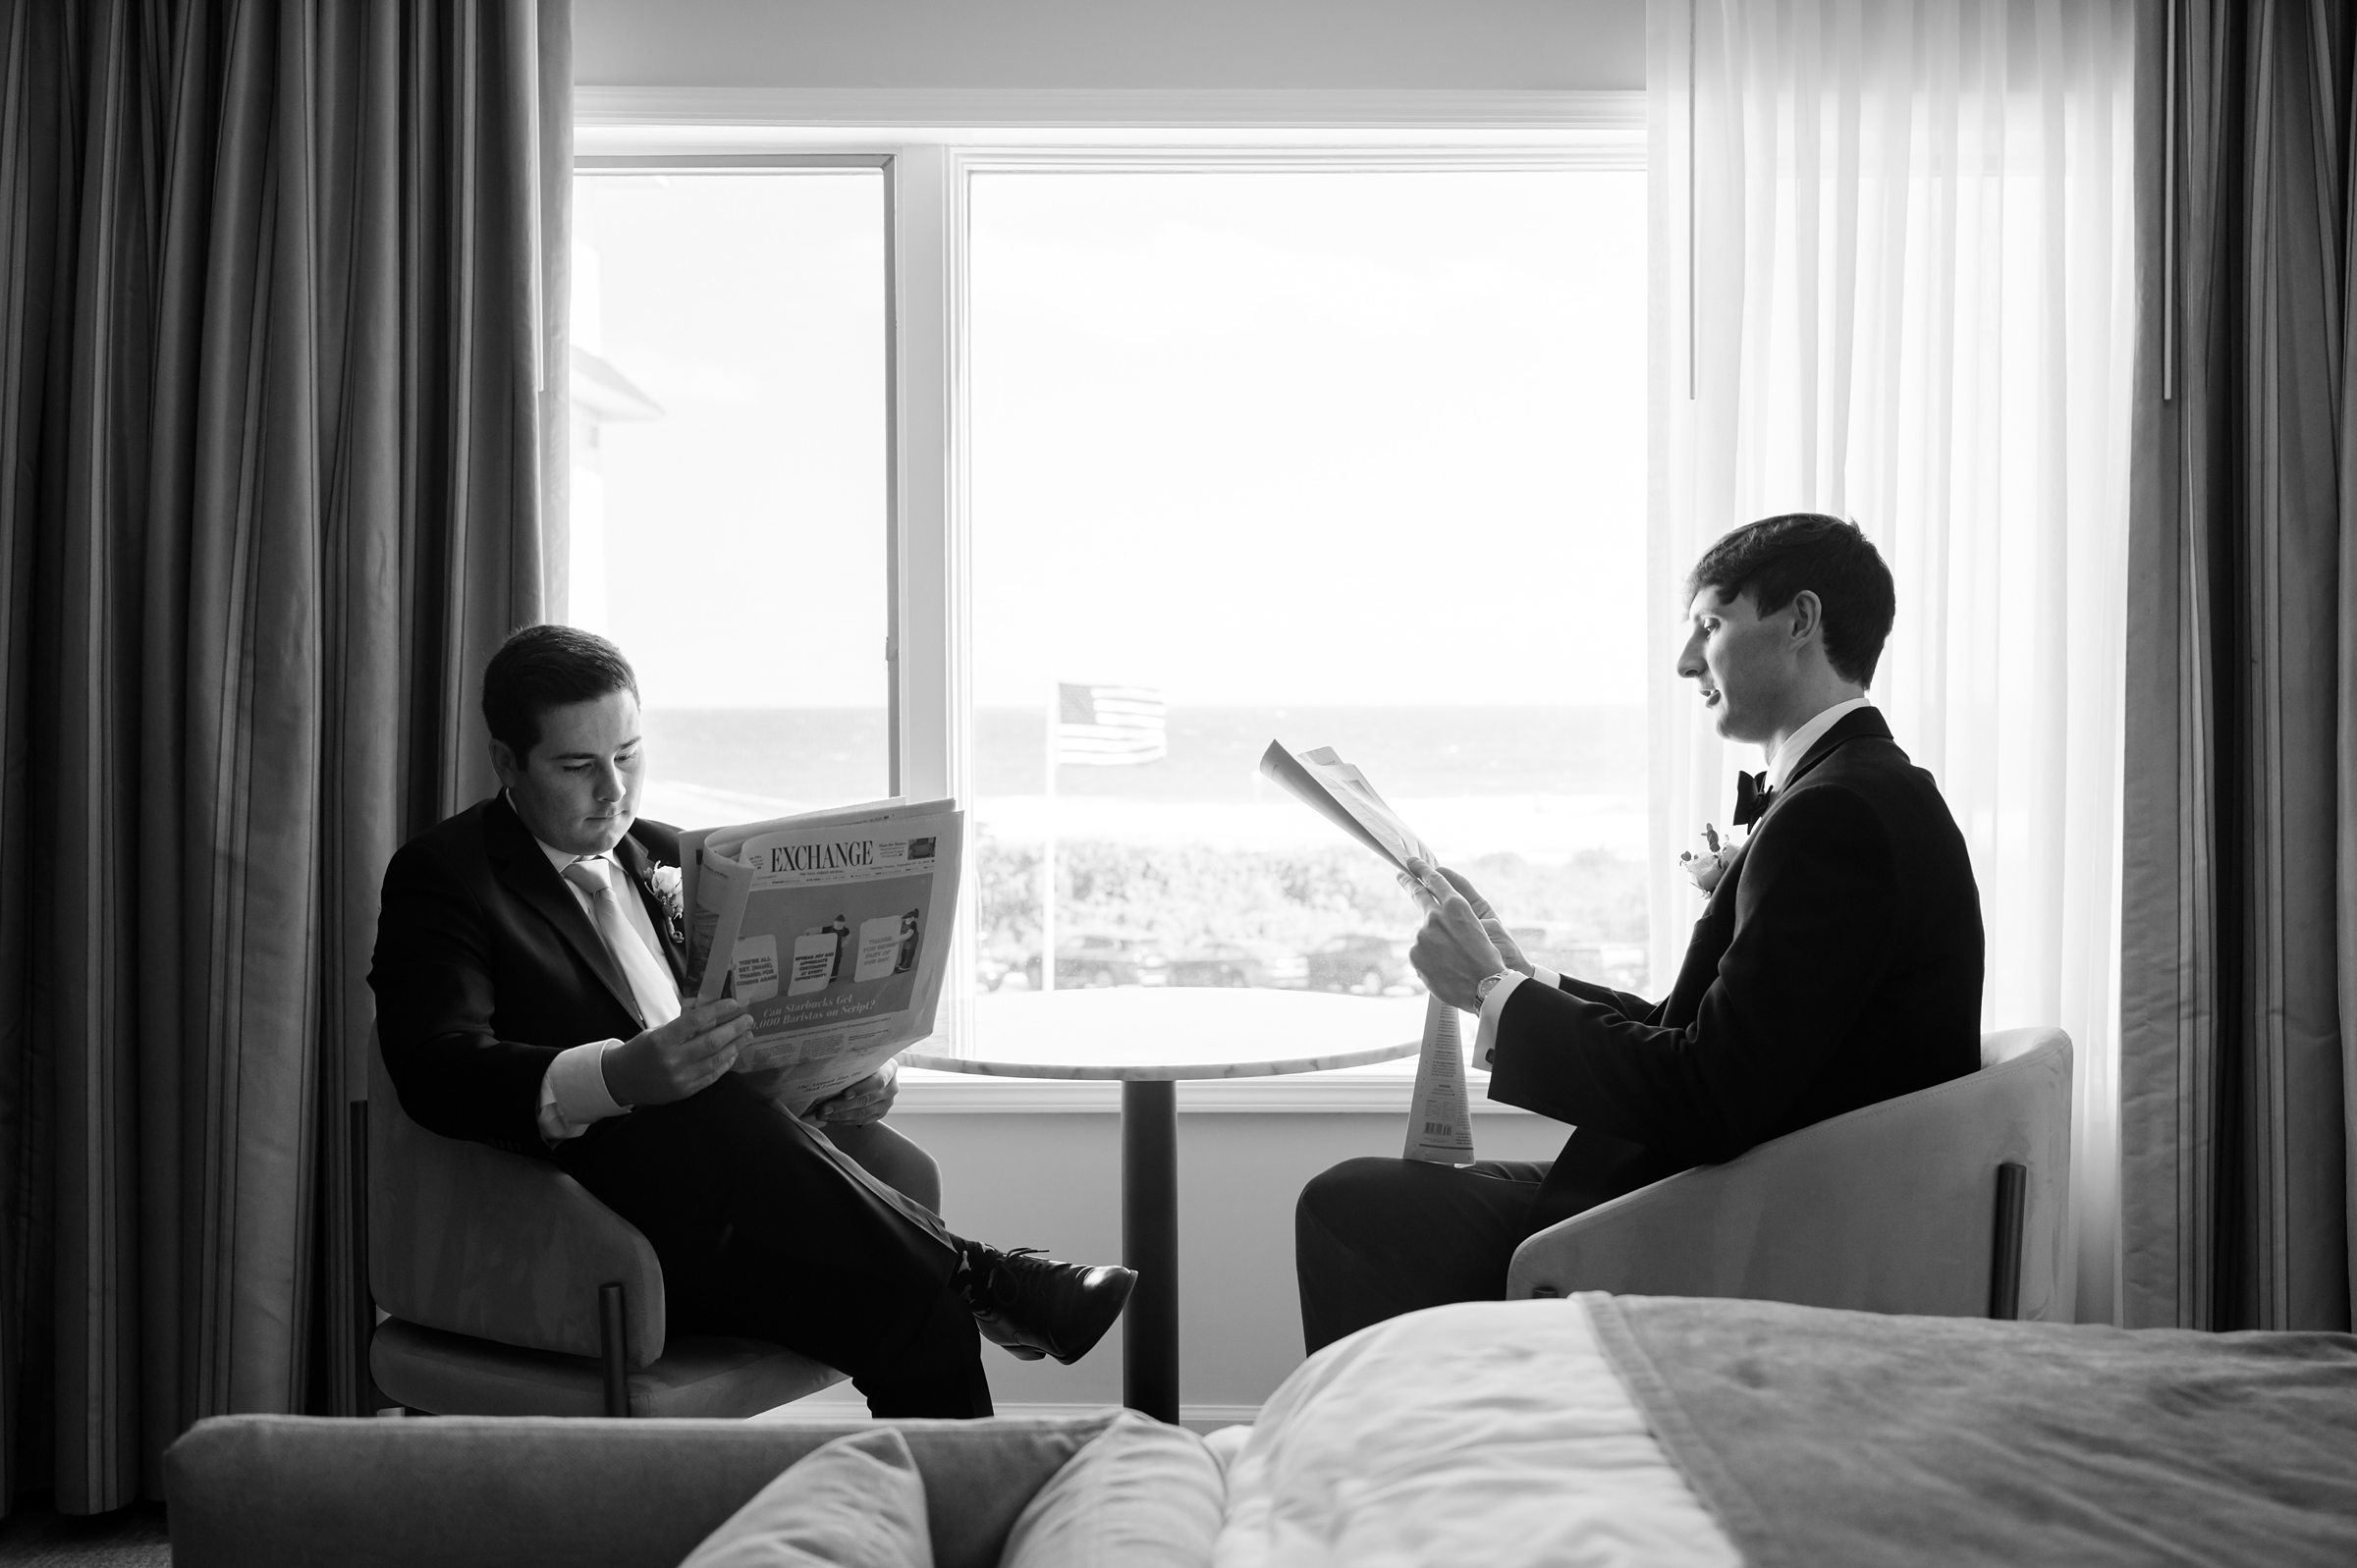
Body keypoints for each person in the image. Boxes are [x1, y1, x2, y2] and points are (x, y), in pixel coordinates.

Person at [370, 624, 1134, 1417]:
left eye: (628, 755)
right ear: (506, 762)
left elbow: (755, 1040)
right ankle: (986, 1274)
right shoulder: (447, 876)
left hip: (752, 1207)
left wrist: (838, 1066)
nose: (614, 791)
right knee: (692, 1095)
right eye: (577, 766)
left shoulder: (674, 856)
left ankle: (949, 1516)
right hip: (596, 1237)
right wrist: (616, 1074)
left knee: (923, 1314)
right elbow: (435, 1067)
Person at [1294, 514, 1984, 1353]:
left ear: (1800, 621)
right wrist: (1517, 970)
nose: (1689, 661)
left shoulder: (1835, 815)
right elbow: (1704, 1035)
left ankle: (1391, 1469)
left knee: (1349, 1204)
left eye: (1711, 624)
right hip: (1733, 1189)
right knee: (1380, 1192)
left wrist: (1488, 992)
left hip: (1744, 1223)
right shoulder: (1860, 791)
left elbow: (1706, 1095)